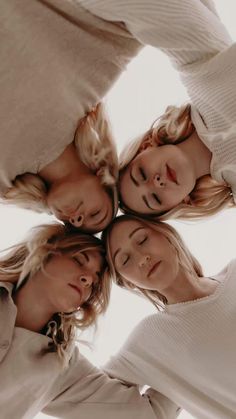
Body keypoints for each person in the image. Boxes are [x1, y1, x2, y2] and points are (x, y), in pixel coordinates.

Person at [0, 221, 180, 418]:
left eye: (94, 283)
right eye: (79, 260)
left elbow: (147, 414)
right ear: (43, 252)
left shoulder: (61, 368)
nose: (87, 279)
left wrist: (185, 355)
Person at [81, 0, 236, 221]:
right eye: (155, 198)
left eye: (141, 174)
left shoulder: (199, 74)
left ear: (146, 147)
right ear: (182, 202)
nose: (157, 183)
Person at [0, 0, 144, 232]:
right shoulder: (89, 83)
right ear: (103, 177)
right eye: (95, 214)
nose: (77, 219)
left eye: (73, 224)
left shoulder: (5, 184)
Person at [102, 214, 236, 419]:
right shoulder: (149, 341)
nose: (141, 258)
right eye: (126, 260)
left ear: (167, 235)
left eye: (142, 239)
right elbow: (86, 397)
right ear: (128, 282)